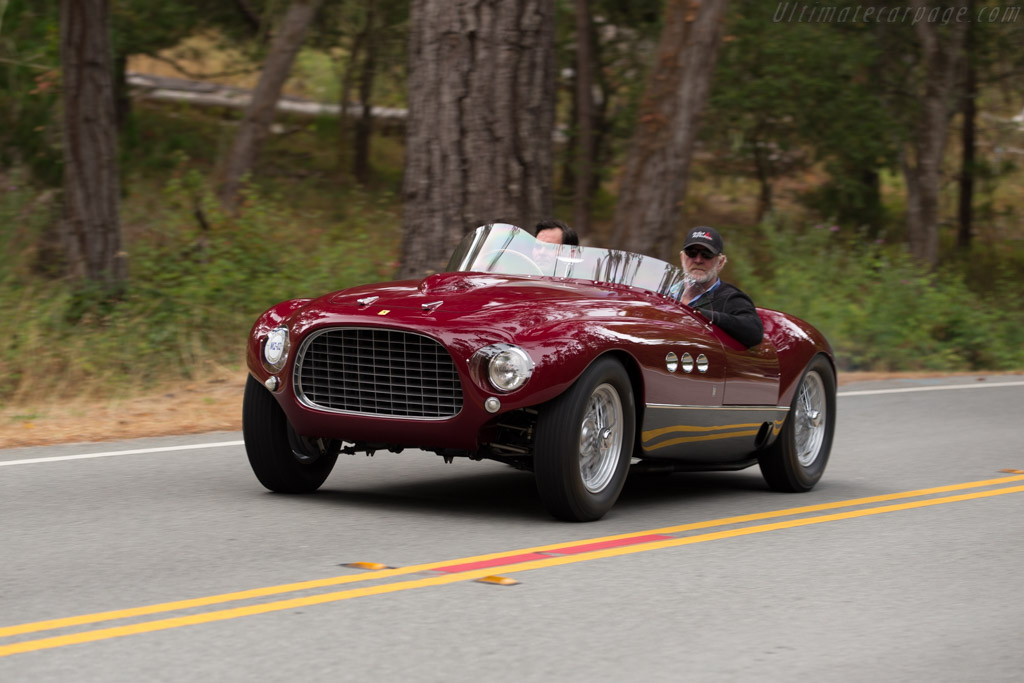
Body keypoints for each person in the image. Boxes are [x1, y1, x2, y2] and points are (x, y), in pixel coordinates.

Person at [679, 226, 764, 348]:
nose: (698, 260)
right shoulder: (664, 290)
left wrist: (705, 315)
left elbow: (754, 332)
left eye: (707, 254)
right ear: (682, 257)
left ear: (720, 262)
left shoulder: (730, 297)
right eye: (691, 253)